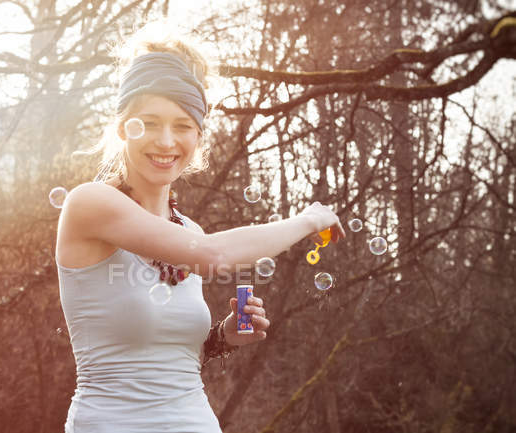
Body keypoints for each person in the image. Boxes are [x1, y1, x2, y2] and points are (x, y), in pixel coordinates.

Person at [55, 22, 345, 433]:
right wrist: (309, 219)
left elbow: (166, 354)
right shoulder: (91, 204)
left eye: (182, 125)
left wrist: (223, 337)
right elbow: (214, 255)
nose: (166, 140)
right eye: (150, 122)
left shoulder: (187, 229)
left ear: (198, 136)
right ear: (123, 128)